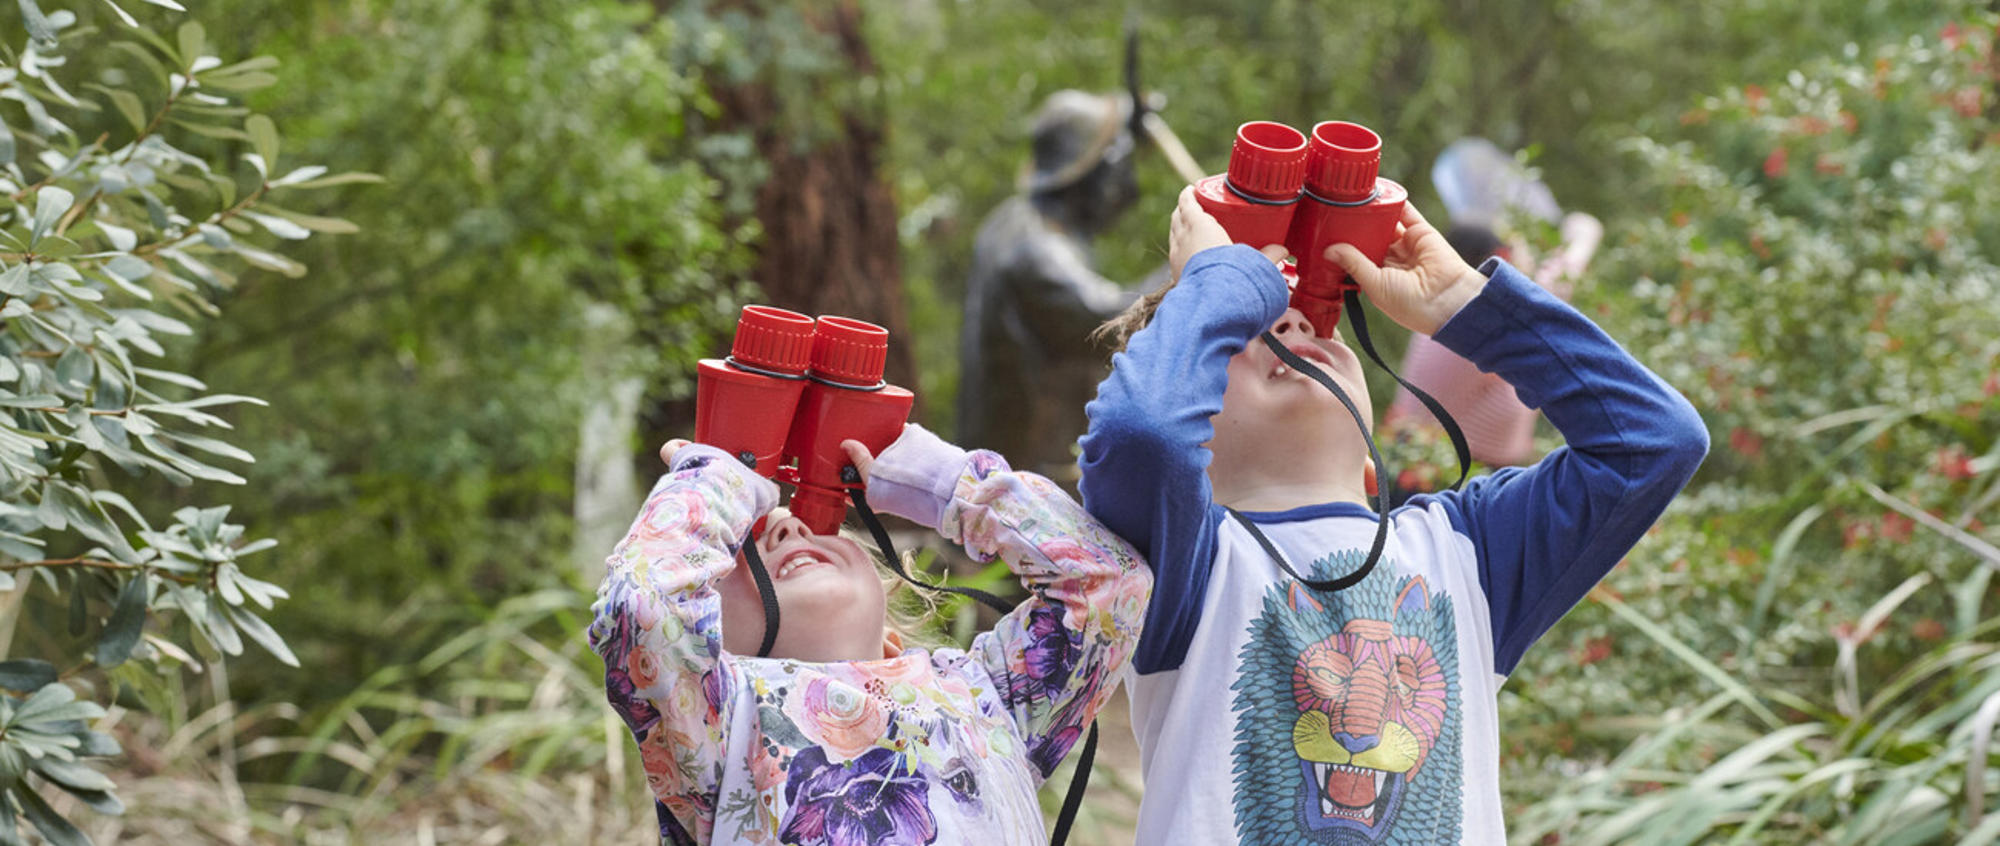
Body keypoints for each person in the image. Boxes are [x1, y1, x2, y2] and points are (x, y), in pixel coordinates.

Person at [1077, 187, 1707, 843]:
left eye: (1313, 325)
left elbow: (1654, 442)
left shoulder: (1465, 553)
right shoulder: (1182, 559)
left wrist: (1466, 308)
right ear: (1194, 453)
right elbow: (1141, 436)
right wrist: (1213, 285)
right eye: (1238, 336)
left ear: (1374, 462)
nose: (1291, 327)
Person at [590, 422, 1151, 845]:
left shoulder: (982, 699)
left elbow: (1109, 585)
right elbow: (644, 605)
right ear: (706, 648)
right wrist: (715, 481)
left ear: (892, 646)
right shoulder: (715, 722)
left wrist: (946, 484)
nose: (786, 524)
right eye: (740, 553)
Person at [958, 90, 1161, 480]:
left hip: (1012, 474)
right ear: (1091, 175)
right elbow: (1107, 321)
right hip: (1020, 490)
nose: (1126, 187)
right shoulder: (1035, 247)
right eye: (1118, 167)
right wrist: (1194, 267)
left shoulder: (1016, 220)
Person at [1383, 139, 1605, 487]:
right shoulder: (1471, 314)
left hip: (1442, 471)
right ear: (1503, 256)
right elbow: (1553, 289)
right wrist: (1582, 238)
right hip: (1446, 480)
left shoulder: (1445, 308)